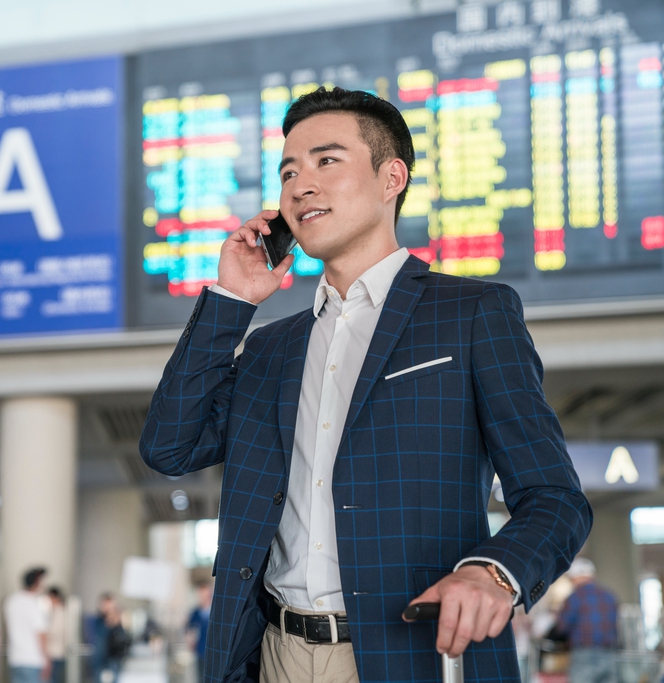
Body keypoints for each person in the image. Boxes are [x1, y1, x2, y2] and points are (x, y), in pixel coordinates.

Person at [139, 86, 592, 683]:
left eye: (327, 161)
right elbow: (170, 446)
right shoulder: (271, 347)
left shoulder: (472, 313)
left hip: (410, 654)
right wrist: (231, 302)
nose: (301, 185)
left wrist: (493, 571)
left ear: (391, 178)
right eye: (289, 171)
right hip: (269, 654)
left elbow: (555, 497)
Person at [555, 559, 618, 683]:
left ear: (575, 577)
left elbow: (562, 628)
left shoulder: (574, 598)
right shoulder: (609, 596)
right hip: (609, 654)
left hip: (583, 655)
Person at [5, 567, 51, 683]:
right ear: (37, 583)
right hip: (33, 660)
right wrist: (47, 659)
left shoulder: (11, 601)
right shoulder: (34, 604)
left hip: (15, 658)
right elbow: (40, 633)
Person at [91, 593, 129, 683]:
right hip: (100, 659)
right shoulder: (98, 621)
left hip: (114, 658)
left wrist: (117, 623)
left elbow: (123, 637)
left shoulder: (119, 621)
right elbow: (98, 637)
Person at [187, 580, 213, 683]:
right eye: (200, 593)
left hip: (213, 652)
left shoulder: (215, 612)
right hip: (200, 652)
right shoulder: (195, 613)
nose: (202, 596)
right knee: (200, 678)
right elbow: (189, 630)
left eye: (205, 593)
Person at [47, 587, 68, 683]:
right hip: (55, 652)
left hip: (56, 653)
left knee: (54, 679)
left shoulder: (60, 612)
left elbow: (54, 632)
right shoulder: (56, 611)